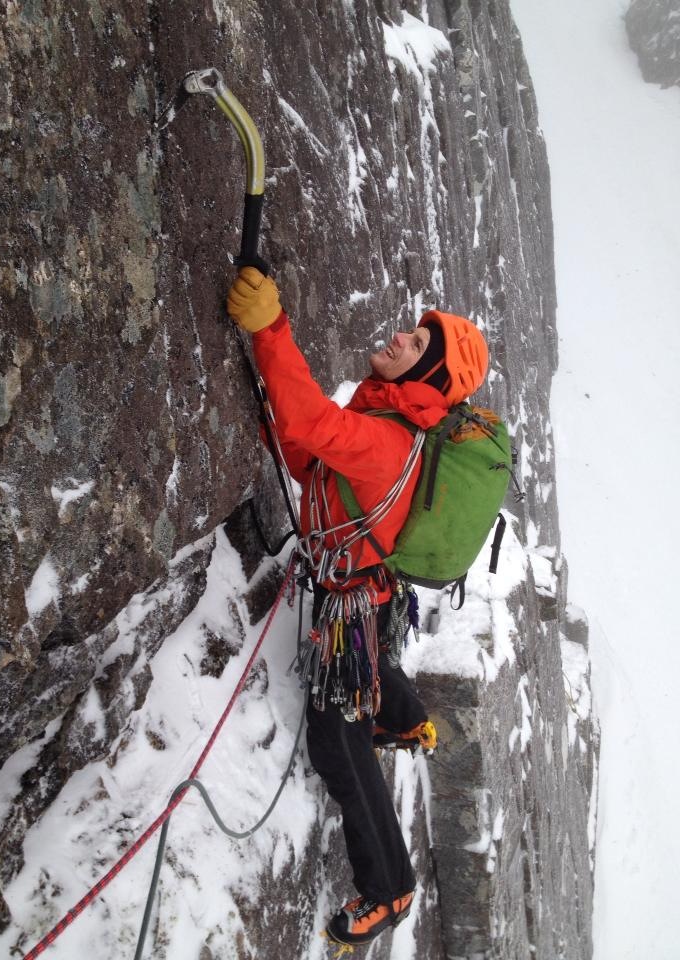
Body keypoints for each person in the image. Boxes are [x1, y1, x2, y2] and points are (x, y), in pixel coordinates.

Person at [227, 267, 489, 948]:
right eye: (413, 332)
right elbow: (315, 452)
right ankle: (403, 722)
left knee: (337, 745)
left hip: (354, 600)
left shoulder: (384, 440)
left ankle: (390, 886)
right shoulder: (383, 425)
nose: (402, 335)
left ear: (424, 382)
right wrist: (277, 416)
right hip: (364, 594)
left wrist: (270, 330)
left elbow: (314, 423)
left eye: (418, 346)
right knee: (372, 659)